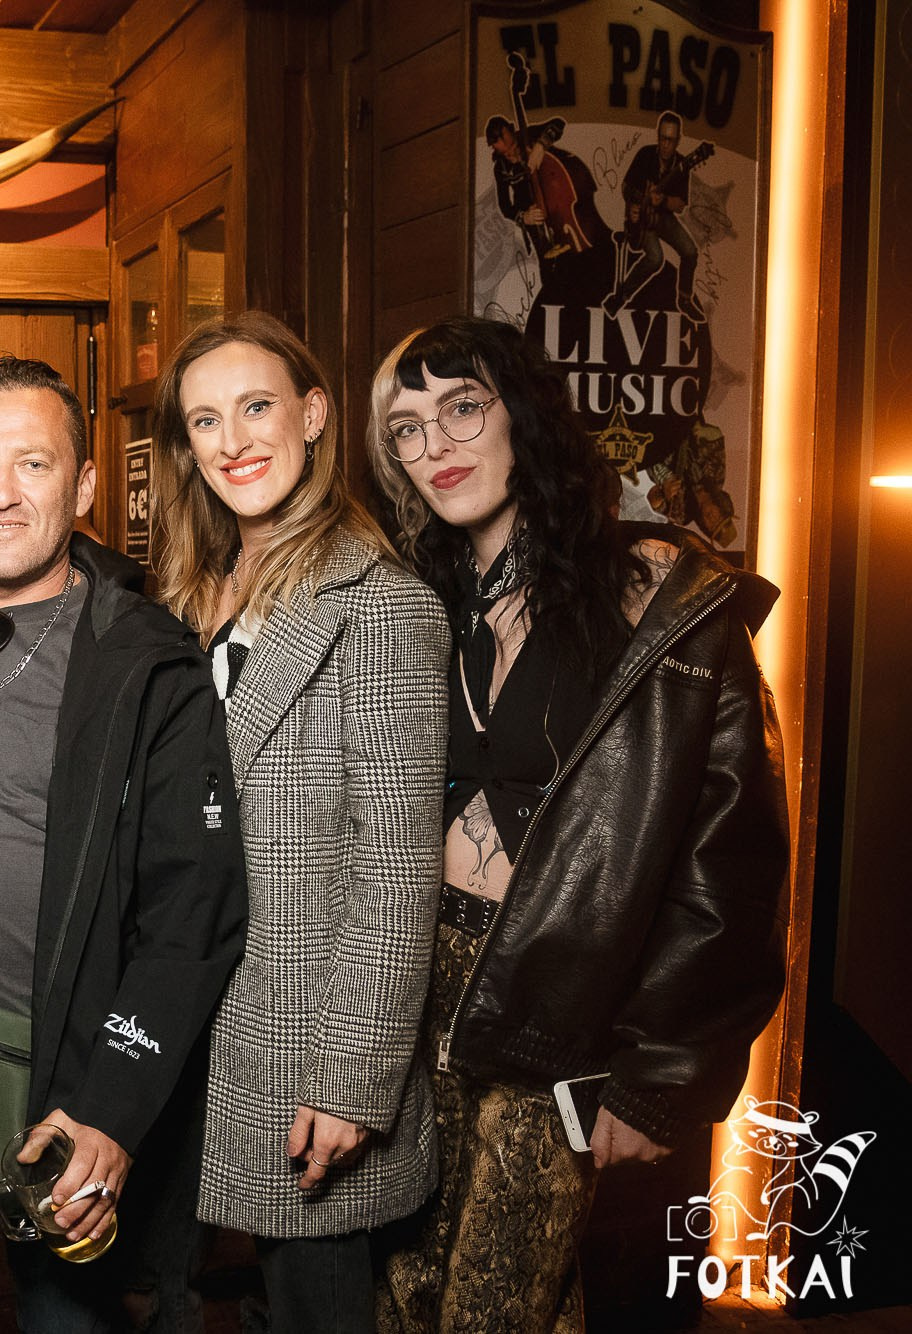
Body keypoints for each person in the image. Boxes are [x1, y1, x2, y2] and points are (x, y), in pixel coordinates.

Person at [363, 315, 786, 1332]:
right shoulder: (416, 594)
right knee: (402, 1294)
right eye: (407, 428)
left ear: (523, 416)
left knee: (498, 1309)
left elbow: (729, 866)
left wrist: (658, 1077)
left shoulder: (656, 600)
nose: (436, 447)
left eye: (460, 406)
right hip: (410, 994)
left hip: (556, 1004)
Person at [0, 356, 249, 1333]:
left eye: (31, 464)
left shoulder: (146, 662)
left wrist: (112, 1102)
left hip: (65, 1099)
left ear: (82, 486)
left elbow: (191, 914)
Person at [148, 312, 448, 1332]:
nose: (231, 438)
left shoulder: (381, 605)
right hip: (190, 1026)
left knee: (312, 1307)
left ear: (312, 414)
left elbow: (397, 869)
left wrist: (355, 1081)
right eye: (204, 419)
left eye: (256, 405)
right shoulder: (191, 591)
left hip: (303, 1048)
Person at [605, 112, 706, 323]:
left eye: (670, 139)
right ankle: (622, 296)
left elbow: (680, 205)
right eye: (662, 138)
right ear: (658, 136)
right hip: (642, 220)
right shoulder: (645, 155)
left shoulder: (681, 165)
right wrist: (634, 205)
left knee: (690, 251)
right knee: (655, 258)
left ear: (678, 140)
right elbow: (626, 186)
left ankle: (685, 299)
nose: (666, 145)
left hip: (662, 217)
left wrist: (664, 201)